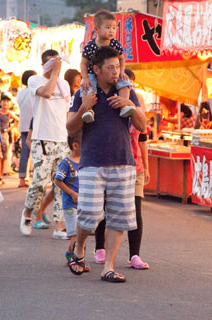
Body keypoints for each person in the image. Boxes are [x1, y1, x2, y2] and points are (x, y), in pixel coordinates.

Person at [66, 46, 147, 282]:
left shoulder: (127, 91)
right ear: (96, 70)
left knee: (118, 218)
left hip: (124, 162)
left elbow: (142, 126)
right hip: (92, 163)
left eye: (118, 67)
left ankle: (108, 267)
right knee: (89, 214)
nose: (115, 72)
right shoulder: (84, 92)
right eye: (110, 68)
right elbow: (70, 129)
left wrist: (129, 107)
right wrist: (84, 107)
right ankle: (79, 246)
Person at [93, 68, 151, 270]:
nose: (129, 89)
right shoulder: (108, 105)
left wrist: (147, 166)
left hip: (136, 165)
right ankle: (99, 248)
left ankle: (134, 254)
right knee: (105, 209)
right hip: (111, 164)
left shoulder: (135, 106)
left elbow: (143, 136)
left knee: (136, 210)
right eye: (126, 85)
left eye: (131, 86)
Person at [20, 49, 71, 240]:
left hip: (62, 140)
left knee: (60, 184)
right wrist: (55, 72)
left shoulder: (64, 84)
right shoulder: (35, 80)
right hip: (42, 139)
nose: (55, 67)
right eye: (51, 63)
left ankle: (59, 225)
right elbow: (48, 93)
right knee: (39, 184)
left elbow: (65, 112)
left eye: (57, 63)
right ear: (44, 65)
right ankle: (27, 213)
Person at [79, 9, 134, 122]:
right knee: (87, 87)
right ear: (96, 29)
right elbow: (83, 63)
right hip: (92, 74)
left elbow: (122, 59)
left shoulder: (115, 44)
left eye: (114, 28)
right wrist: (85, 78)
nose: (111, 31)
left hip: (114, 74)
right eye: (108, 27)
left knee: (125, 83)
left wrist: (122, 71)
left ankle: (124, 105)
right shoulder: (89, 46)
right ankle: (89, 110)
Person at [54, 133, 90, 273]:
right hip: (70, 204)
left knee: (81, 233)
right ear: (75, 146)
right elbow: (58, 180)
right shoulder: (66, 163)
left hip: (83, 203)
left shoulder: (85, 161)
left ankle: (71, 255)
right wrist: (72, 193)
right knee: (75, 234)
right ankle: (77, 260)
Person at [16, 69, 36, 188]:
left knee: (24, 153)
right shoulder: (35, 91)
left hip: (23, 125)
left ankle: (22, 179)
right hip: (34, 125)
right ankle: (35, 178)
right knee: (36, 152)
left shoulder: (20, 93)